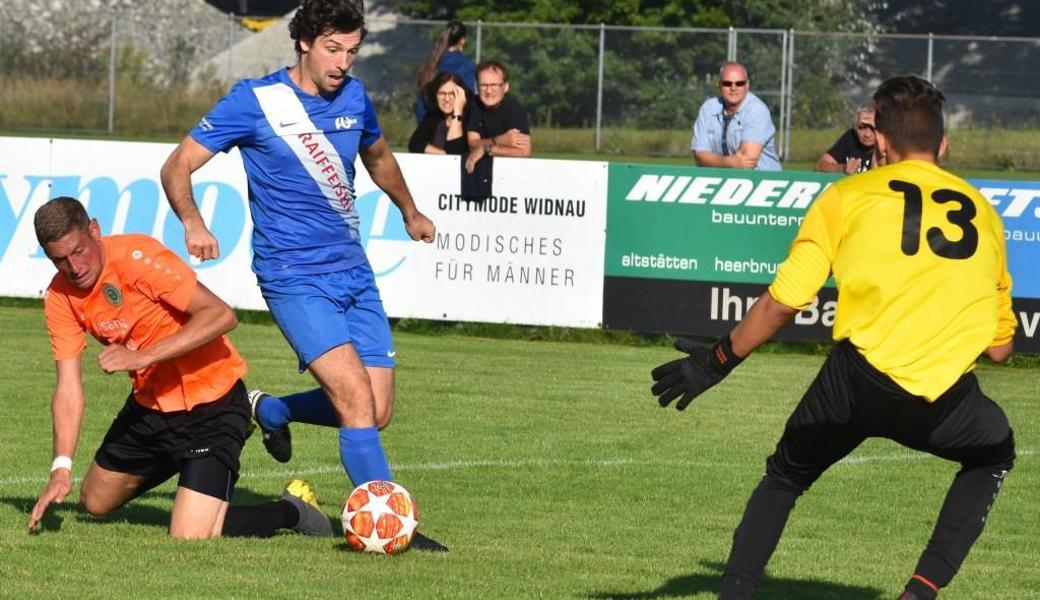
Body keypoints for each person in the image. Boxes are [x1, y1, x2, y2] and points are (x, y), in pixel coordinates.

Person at [651, 76, 1016, 600]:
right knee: (993, 453)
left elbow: (783, 302)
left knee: (784, 478)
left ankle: (734, 592)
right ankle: (919, 592)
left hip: (855, 382)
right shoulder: (985, 213)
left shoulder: (846, 196)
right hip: (939, 396)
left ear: (881, 143)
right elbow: (1000, 349)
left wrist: (716, 362)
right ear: (943, 145)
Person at [159, 0, 446, 551]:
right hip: (293, 277)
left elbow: (379, 155)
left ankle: (273, 407)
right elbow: (177, 165)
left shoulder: (355, 97)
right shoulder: (255, 101)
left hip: (353, 273)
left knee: (377, 411)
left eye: (353, 51)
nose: (344, 62)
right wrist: (193, 222)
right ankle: (388, 526)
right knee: (356, 402)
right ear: (305, 44)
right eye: (333, 49)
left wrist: (410, 210)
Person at [28, 197, 332, 540]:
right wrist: (61, 468)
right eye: (60, 260)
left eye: (79, 251)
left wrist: (142, 357)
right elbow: (68, 389)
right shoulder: (59, 297)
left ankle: (291, 509)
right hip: (151, 408)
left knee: (190, 535)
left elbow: (220, 315)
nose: (74, 267)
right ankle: (188, 469)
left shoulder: (138, 257)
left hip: (212, 404)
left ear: (94, 230)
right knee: (95, 501)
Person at [691, 61, 782, 171]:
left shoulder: (757, 110)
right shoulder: (707, 109)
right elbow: (699, 156)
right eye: (727, 83)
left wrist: (713, 159)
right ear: (719, 85)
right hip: (727, 183)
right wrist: (729, 162)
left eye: (739, 83)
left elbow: (746, 162)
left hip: (765, 184)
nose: (733, 88)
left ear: (747, 85)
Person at [464, 59, 531, 175]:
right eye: (484, 85)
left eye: (494, 85)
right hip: (479, 173)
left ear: (505, 87)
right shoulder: (473, 105)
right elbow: (472, 144)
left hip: (512, 173)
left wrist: (486, 149)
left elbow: (524, 152)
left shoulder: (514, 109)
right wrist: (499, 140)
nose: (489, 91)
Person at [414, 20, 476, 124]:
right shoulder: (466, 66)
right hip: (459, 125)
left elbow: (421, 103)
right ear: (462, 40)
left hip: (431, 126)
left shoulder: (431, 64)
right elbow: (470, 99)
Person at [408, 72, 471, 155]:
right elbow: (415, 144)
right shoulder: (434, 117)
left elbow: (455, 151)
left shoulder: (471, 118)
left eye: (452, 94)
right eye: (442, 94)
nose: (447, 99)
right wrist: (443, 154)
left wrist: (458, 111)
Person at [814, 105, 878, 174]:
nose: (867, 134)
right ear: (855, 127)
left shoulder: (887, 142)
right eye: (862, 128)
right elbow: (820, 165)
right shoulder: (851, 137)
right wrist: (843, 168)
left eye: (873, 128)